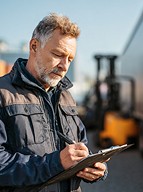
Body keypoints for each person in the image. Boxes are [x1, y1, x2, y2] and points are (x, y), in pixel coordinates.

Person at [0, 13, 107, 192]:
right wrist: (55, 163)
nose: (65, 66)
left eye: (70, 59)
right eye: (58, 54)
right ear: (34, 46)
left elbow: (81, 146)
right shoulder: (3, 94)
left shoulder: (66, 97)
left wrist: (94, 168)